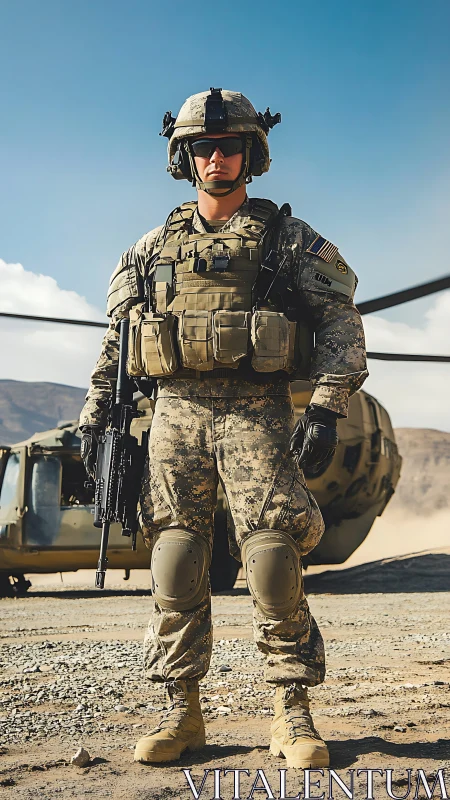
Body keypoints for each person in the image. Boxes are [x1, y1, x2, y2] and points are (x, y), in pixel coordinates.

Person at [79, 88, 368, 768]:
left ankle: (292, 712)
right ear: (185, 157)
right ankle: (183, 711)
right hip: (175, 414)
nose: (216, 157)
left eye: (229, 146)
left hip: (256, 412)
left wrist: (327, 404)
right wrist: (97, 417)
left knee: (271, 558)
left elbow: (341, 322)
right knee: (174, 559)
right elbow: (118, 343)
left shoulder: (288, 239)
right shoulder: (151, 248)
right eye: (203, 148)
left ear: (251, 154)